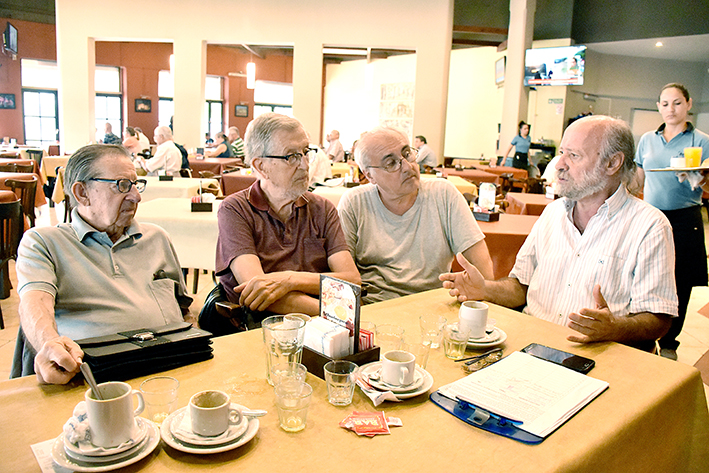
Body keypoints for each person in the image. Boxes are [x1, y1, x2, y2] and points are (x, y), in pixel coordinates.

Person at [440, 116, 677, 350]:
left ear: (612, 163)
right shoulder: (552, 213)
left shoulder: (650, 226)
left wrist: (615, 327)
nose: (559, 164)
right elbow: (520, 287)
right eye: (562, 152)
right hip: (530, 347)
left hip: (597, 358)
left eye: (574, 155)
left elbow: (658, 319)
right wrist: (485, 289)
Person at [13, 144, 192, 384]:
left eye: (136, 184)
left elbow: (184, 308)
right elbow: (34, 302)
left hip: (172, 371)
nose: (136, 196)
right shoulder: (44, 242)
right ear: (82, 193)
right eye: (122, 186)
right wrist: (50, 343)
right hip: (95, 382)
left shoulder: (156, 237)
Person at [215, 113, 360, 321]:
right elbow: (256, 291)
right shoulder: (235, 209)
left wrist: (288, 280)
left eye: (305, 152)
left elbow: (352, 280)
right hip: (262, 326)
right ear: (260, 167)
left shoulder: (322, 209)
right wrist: (333, 310)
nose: (304, 165)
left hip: (322, 327)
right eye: (291, 156)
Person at [338, 127, 493, 304]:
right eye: (391, 163)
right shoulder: (354, 202)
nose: (407, 166)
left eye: (407, 154)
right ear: (369, 175)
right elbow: (342, 278)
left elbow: (483, 271)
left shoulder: (443, 194)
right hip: (374, 307)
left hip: (433, 308)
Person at [634, 83, 709, 359]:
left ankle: (669, 343)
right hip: (651, 216)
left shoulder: (700, 140)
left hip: (685, 217)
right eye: (665, 104)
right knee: (646, 273)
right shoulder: (647, 140)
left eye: (677, 103)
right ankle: (643, 333)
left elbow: (705, 181)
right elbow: (638, 179)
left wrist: (697, 176)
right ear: (658, 107)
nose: (671, 109)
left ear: (688, 104)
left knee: (681, 280)